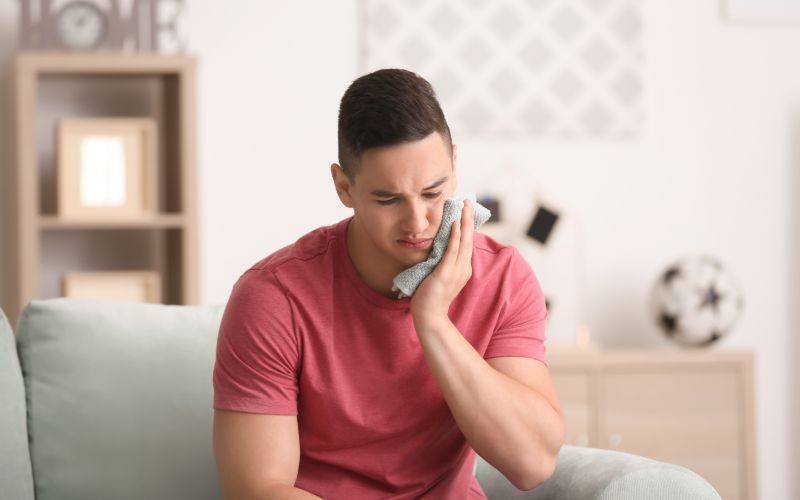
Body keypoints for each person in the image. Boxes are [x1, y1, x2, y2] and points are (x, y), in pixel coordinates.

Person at [212, 68, 565, 499]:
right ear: (344, 186)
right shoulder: (273, 298)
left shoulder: (502, 277)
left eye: (433, 193)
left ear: (454, 163)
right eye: (388, 199)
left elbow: (533, 464)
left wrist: (433, 320)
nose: (417, 222)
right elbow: (258, 489)